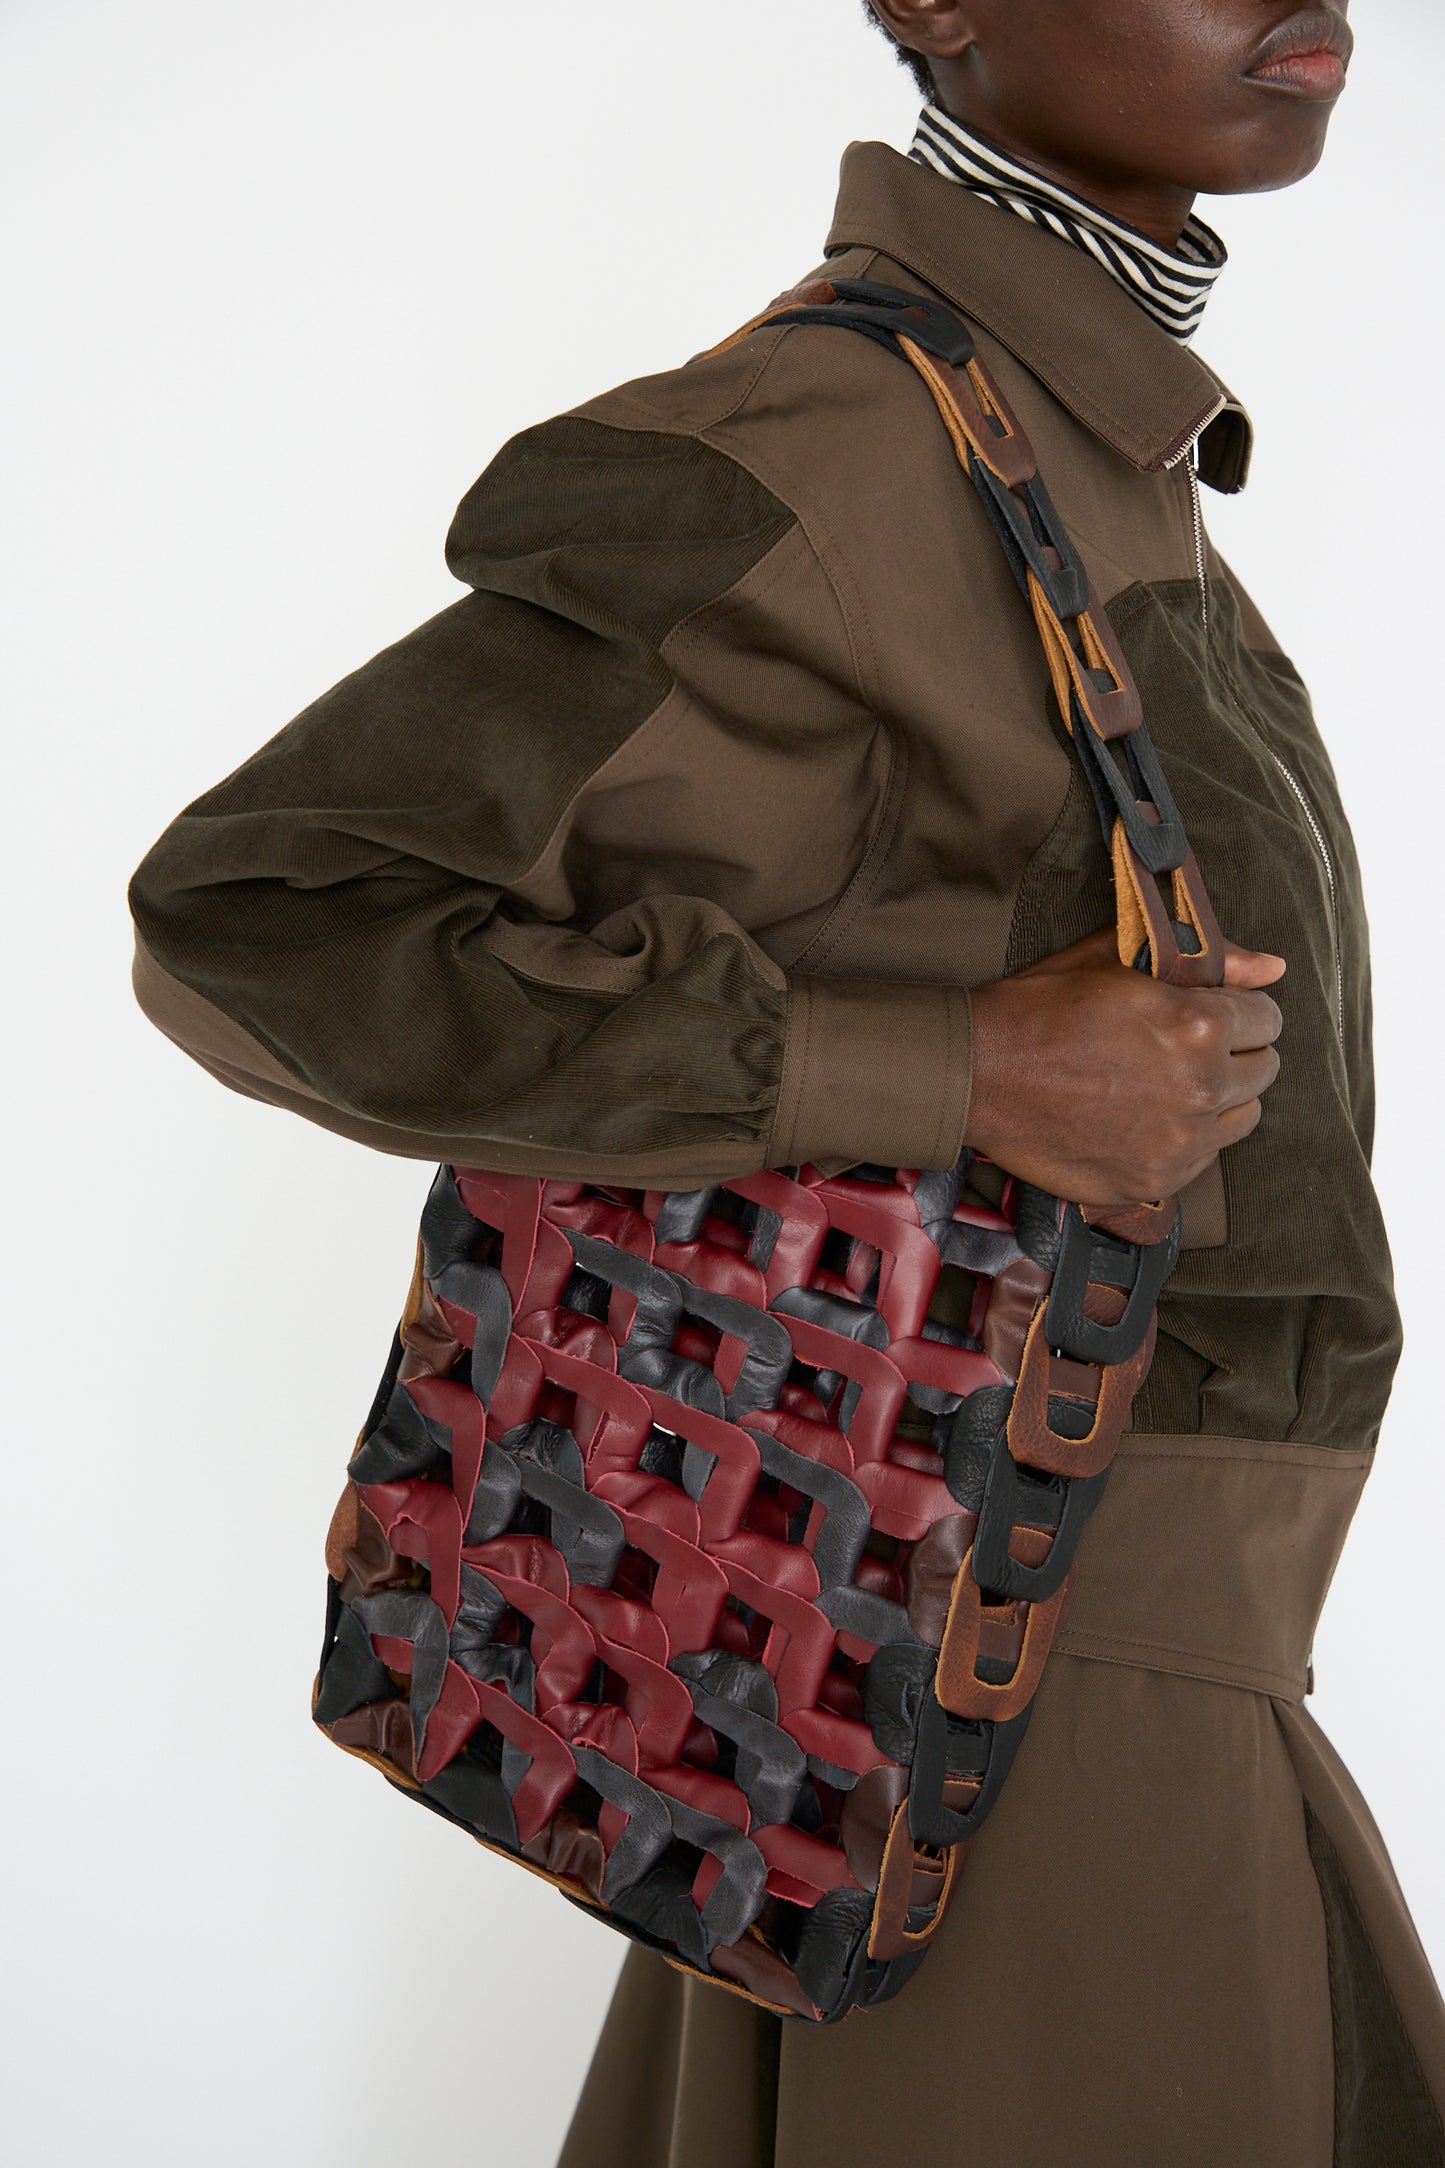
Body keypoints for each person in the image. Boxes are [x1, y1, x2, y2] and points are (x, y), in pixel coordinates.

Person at [127, 0, 1445, 2159]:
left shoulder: (1073, 452)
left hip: (1073, 1718)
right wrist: (957, 1071)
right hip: (1014, 1751)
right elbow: (268, 914)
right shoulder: (841, 450)